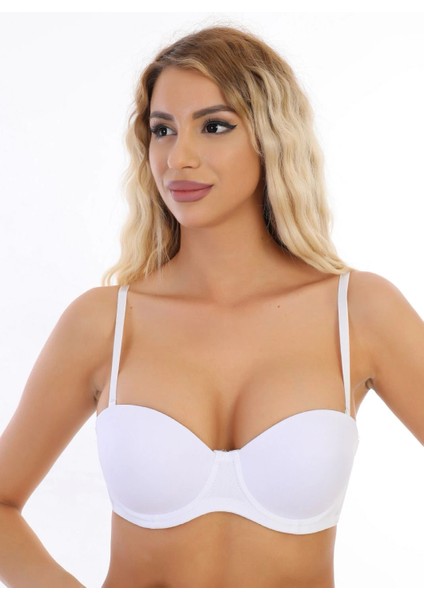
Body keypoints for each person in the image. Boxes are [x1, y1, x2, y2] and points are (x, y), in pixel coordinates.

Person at [0, 25, 423, 589]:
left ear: (271, 136)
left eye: (214, 126)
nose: (179, 158)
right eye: (162, 130)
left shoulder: (358, 313)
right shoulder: (105, 322)